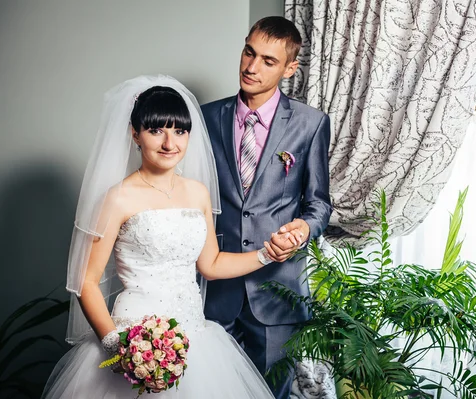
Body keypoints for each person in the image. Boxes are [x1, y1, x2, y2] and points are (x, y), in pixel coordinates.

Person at [42, 75, 283, 398]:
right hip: (135, 337)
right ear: (135, 134)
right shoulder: (119, 198)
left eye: (180, 131)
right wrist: (119, 350)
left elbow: (210, 264)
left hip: (195, 337)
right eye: (157, 130)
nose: (171, 143)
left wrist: (267, 254)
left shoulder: (197, 193)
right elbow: (87, 281)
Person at [201, 16, 332, 398]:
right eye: (248, 52)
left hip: (277, 292)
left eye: (268, 61)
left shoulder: (310, 123)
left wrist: (304, 230)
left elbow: (319, 203)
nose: (252, 67)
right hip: (214, 288)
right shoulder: (206, 118)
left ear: (290, 67)